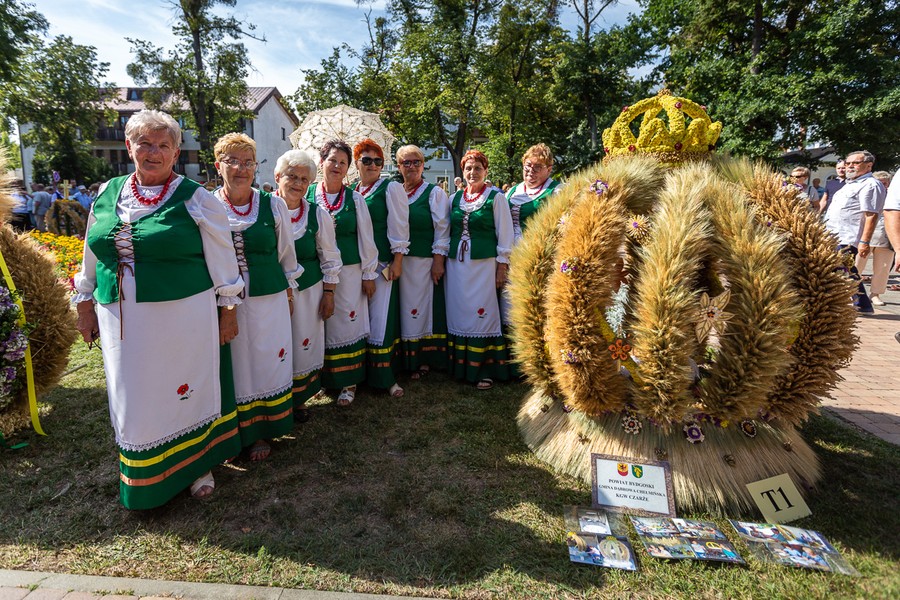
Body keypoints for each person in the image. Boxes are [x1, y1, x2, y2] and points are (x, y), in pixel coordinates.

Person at [74, 109, 244, 508]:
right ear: (129, 147)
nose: (153, 152)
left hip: (182, 316)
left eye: (163, 145)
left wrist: (228, 310)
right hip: (119, 317)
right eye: (144, 143)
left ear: (176, 152)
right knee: (134, 395)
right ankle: (145, 475)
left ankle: (196, 466)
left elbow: (224, 261)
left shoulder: (197, 199)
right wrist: (84, 302)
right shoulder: (108, 192)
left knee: (182, 388)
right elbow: (90, 253)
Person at [213, 132, 302, 461]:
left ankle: (264, 429)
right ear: (218, 165)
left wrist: (289, 295)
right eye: (233, 161)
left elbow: (287, 256)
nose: (242, 168)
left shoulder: (272, 204)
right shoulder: (207, 205)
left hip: (268, 296)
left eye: (248, 162)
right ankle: (234, 432)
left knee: (266, 359)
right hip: (223, 299)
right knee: (236, 363)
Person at [306, 140, 378, 406]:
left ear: (349, 168)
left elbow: (366, 238)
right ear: (321, 162)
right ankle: (323, 380)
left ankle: (349, 382)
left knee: (347, 322)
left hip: (349, 272)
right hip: (317, 270)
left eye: (343, 162)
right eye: (332, 160)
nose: (337, 166)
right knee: (320, 322)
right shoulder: (308, 194)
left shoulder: (355, 199)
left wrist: (368, 273)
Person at [274, 149, 342, 422]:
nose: (298, 183)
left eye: (304, 179)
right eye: (292, 176)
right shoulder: (264, 209)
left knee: (303, 342)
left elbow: (330, 257)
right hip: (273, 292)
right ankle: (274, 402)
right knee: (275, 345)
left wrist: (329, 293)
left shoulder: (317, 214)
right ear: (278, 176)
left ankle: (300, 399)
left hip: (308, 290)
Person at [445, 149, 514, 390]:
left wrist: (502, 266)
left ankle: (484, 368)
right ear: (462, 171)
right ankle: (461, 366)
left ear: (485, 171)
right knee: (459, 311)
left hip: (484, 266)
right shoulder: (454, 198)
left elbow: (505, 234)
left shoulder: (496, 198)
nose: (472, 172)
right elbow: (446, 231)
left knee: (483, 313)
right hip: (457, 265)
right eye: (468, 168)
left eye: (477, 168)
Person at [350, 139, 409, 398]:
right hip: (355, 266)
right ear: (357, 163)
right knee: (357, 319)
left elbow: (399, 226)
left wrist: (398, 260)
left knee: (380, 320)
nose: (372, 165)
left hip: (382, 263)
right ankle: (356, 375)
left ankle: (385, 377)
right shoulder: (351, 190)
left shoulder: (390, 188)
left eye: (378, 161)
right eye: (366, 159)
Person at [396, 144, 451, 380]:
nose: (412, 167)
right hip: (398, 262)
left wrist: (438, 261)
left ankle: (423, 359)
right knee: (402, 310)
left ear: (423, 165)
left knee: (420, 309)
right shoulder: (395, 192)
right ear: (398, 167)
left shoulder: (434, 193)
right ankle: (404, 358)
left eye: (416, 162)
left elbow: (442, 229)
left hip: (422, 261)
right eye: (406, 162)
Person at [823, 150, 886, 314]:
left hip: (847, 237)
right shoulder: (850, 184)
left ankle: (858, 305)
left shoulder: (871, 185)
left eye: (855, 163)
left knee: (843, 270)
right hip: (833, 234)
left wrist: (864, 242)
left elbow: (871, 215)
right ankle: (862, 305)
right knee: (846, 271)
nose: (850, 166)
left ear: (869, 165)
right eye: (848, 163)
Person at [855, 171, 894, 306]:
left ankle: (875, 294)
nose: (883, 186)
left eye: (885, 183)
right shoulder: (867, 194)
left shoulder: (894, 197)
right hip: (865, 237)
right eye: (880, 183)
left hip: (886, 238)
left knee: (883, 269)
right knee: (856, 266)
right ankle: (851, 293)